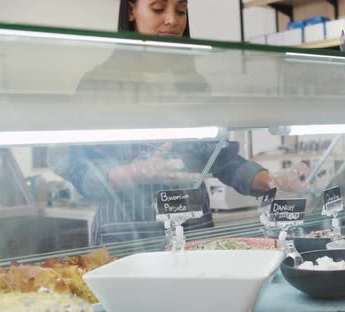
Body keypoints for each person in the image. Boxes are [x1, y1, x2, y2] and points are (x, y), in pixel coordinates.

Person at [48, 0, 310, 245]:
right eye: (159, 8)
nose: (172, 20)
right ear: (131, 11)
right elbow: (71, 163)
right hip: (125, 237)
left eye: (181, 10)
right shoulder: (99, 83)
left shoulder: (195, 85)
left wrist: (271, 179)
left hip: (194, 233)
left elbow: (220, 159)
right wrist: (134, 172)